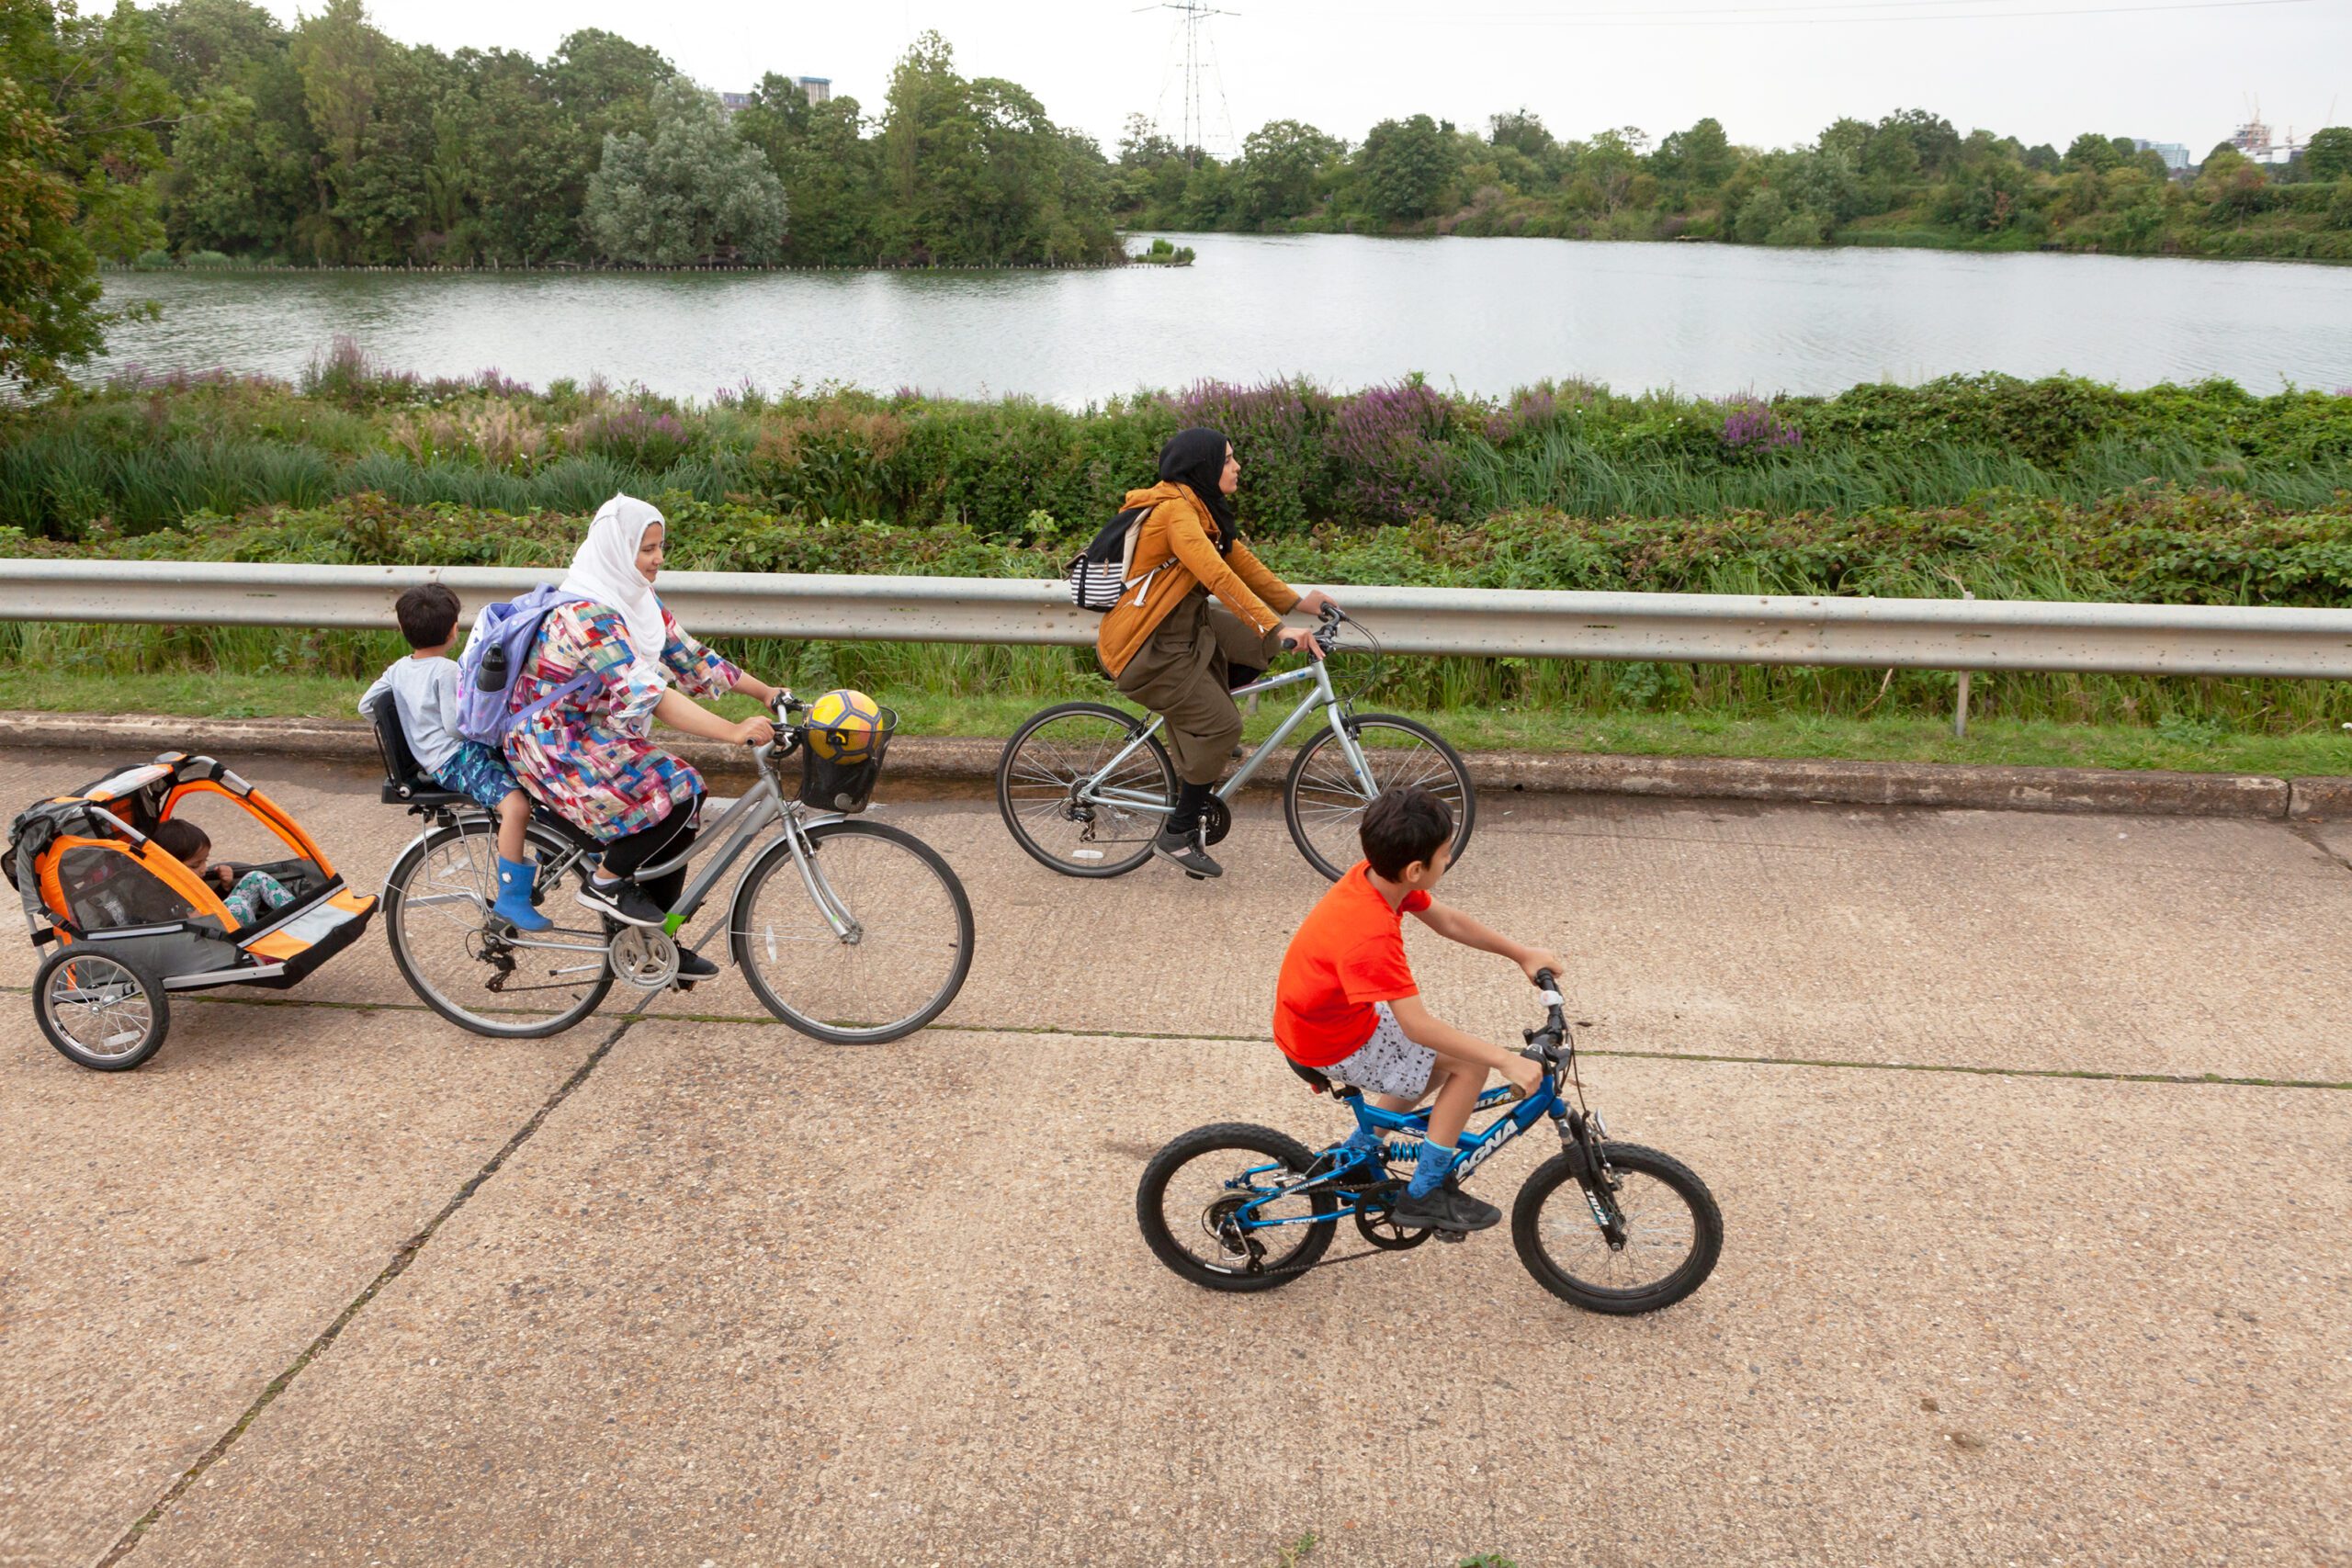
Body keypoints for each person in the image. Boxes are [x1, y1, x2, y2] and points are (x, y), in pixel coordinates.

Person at [503, 494, 786, 979]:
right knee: (678, 789)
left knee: (682, 813)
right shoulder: (589, 614)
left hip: (594, 731)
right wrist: (731, 731)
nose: (657, 559)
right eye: (646, 549)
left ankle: (657, 946)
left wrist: (766, 693)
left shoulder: (638, 598)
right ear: (617, 550)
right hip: (551, 743)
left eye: (659, 547)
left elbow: (694, 659)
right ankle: (605, 883)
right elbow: (648, 694)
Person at [1272, 785, 1567, 1235]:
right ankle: (1426, 1192)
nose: (1448, 861)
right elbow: (1417, 1025)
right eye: (1445, 854)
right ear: (1415, 869)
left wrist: (1521, 952)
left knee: (1430, 1060)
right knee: (1469, 1065)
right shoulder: (1370, 936)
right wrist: (1505, 1059)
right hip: (1332, 1039)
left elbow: (1447, 920)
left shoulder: (1375, 878)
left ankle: (1357, 1154)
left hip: (1328, 1019)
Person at [1095, 426, 1339, 880]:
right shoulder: (1175, 514)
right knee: (1224, 726)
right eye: (1228, 459)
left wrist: (1302, 603)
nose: (1237, 466)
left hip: (1183, 631)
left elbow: (1242, 567)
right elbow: (1218, 579)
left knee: (1260, 644)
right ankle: (1179, 833)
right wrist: (1278, 625)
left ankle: (1195, 721)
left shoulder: (1201, 511)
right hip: (1147, 647)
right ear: (1203, 467)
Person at [362, 582, 549, 931]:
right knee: (516, 806)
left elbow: (366, 706)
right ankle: (512, 897)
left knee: (531, 764)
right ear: (453, 630)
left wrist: (412, 734)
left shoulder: (398, 670)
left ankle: (548, 847)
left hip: (439, 758)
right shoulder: (446, 670)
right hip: (455, 758)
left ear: (402, 629)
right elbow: (455, 726)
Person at [150, 818, 297, 929]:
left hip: (218, 927)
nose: (204, 869)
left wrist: (224, 888)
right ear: (168, 866)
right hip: (198, 942)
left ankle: (299, 919)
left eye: (205, 861)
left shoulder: (192, 881)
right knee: (237, 905)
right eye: (195, 865)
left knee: (256, 877)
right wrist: (187, 920)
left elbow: (214, 905)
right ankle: (257, 949)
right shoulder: (156, 895)